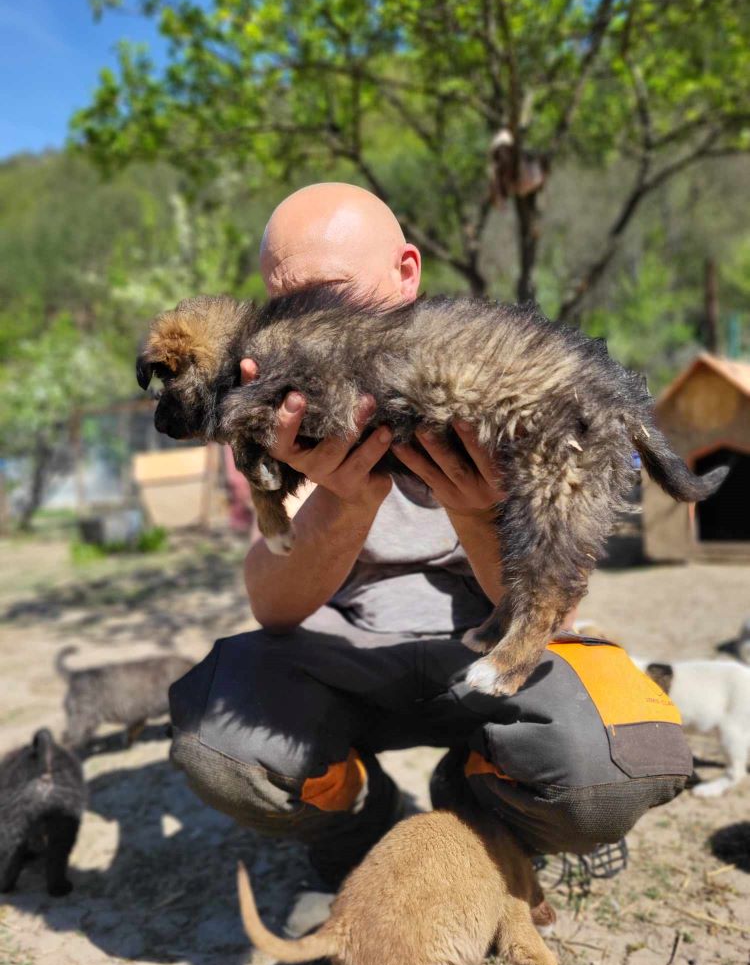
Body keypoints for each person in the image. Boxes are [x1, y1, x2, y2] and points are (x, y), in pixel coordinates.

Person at [168, 182, 692, 892]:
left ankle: (480, 800)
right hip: (342, 656)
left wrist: (479, 514)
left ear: (405, 274)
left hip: (478, 644)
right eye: (284, 299)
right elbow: (273, 609)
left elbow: (558, 610)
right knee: (216, 744)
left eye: (327, 292)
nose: (299, 320)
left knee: (617, 763)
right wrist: (342, 500)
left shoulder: (487, 364)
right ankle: (359, 820)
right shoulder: (272, 391)